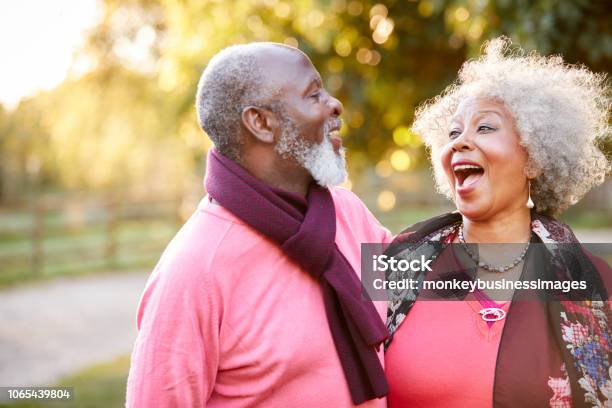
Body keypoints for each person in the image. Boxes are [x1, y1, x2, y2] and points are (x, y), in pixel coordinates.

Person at [125, 42, 392, 407]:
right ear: (262, 123)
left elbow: (437, 286)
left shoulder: (347, 213)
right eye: (314, 94)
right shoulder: (194, 269)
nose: (335, 104)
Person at [384, 37, 611, 407]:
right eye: (453, 132)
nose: (460, 143)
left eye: (485, 128)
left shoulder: (595, 285)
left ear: (534, 159)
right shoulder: (397, 265)